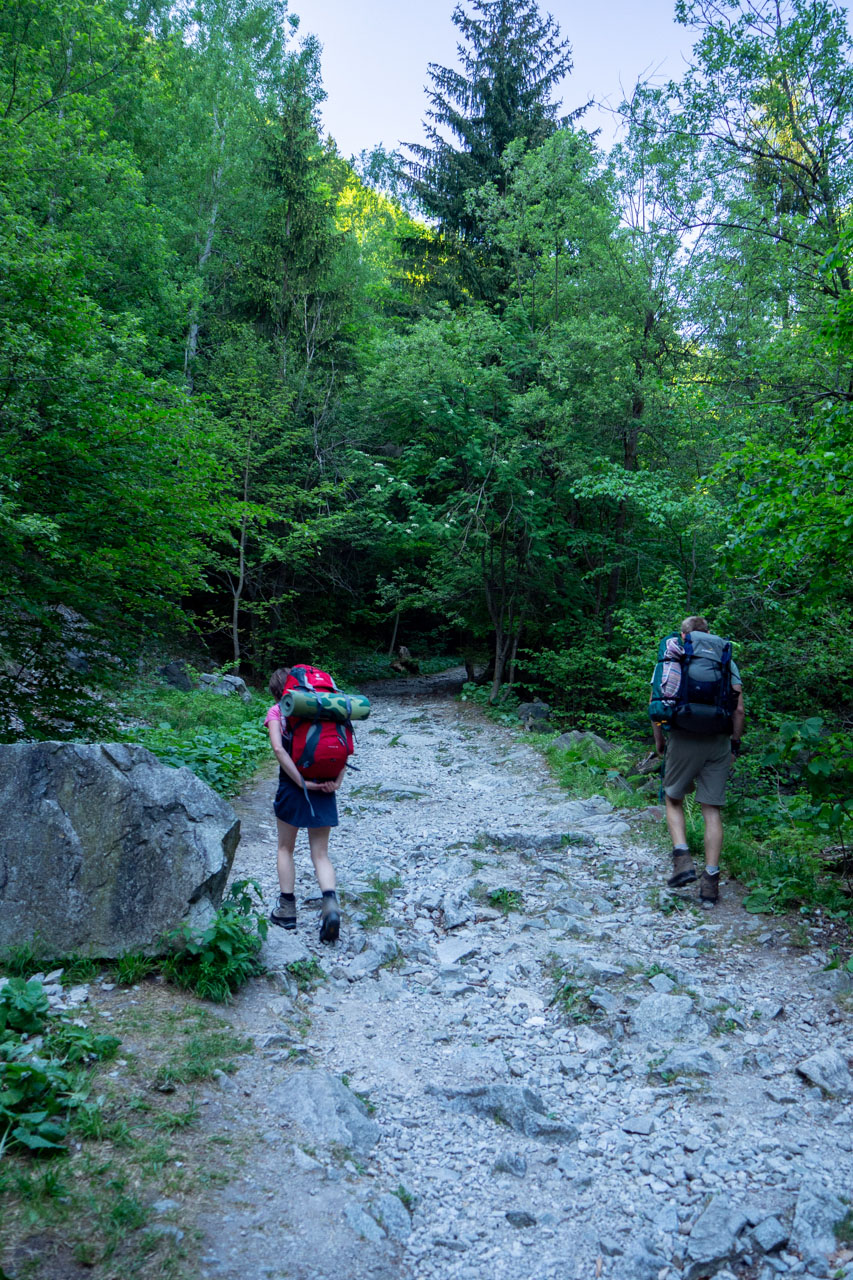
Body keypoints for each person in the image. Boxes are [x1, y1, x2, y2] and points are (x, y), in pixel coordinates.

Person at [651, 615, 745, 907]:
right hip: (718, 739)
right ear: (709, 634)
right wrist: (734, 746)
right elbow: (739, 710)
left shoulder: (676, 654)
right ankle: (710, 883)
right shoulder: (724, 659)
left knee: (673, 798)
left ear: (684, 634)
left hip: (683, 735)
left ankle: (682, 860)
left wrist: (661, 744)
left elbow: (658, 705)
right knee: (711, 809)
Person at [264, 666, 344, 942]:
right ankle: (330, 904)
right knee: (320, 853)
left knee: (285, 847)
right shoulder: (322, 708)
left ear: (277, 692)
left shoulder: (277, 712)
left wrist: (300, 783)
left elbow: (277, 749)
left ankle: (286, 909)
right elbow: (341, 743)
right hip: (324, 782)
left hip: (292, 785)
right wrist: (336, 780)